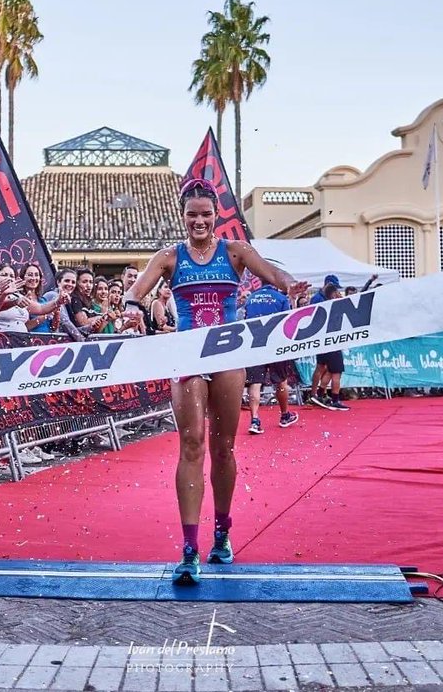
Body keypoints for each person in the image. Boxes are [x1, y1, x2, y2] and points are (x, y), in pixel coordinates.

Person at [125, 178, 307, 584]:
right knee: (191, 445)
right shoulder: (169, 257)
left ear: (216, 216)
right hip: (188, 358)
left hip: (228, 357)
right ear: (183, 216)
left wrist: (290, 286)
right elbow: (135, 292)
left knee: (223, 449)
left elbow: (274, 274)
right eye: (192, 215)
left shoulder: (236, 252)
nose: (200, 221)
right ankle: (189, 549)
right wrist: (133, 309)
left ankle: (221, 534)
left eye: (206, 214)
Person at [243, 283, 299, 434]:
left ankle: (254, 420)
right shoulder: (280, 298)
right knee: (281, 380)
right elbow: (289, 321)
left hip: (254, 344)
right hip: (275, 344)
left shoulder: (250, 298)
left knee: (255, 383)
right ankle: (285, 415)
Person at [308, 276, 349, 411]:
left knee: (326, 369)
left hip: (324, 340)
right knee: (335, 371)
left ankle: (318, 394)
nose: (338, 293)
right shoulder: (329, 303)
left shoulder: (318, 299)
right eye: (336, 290)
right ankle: (332, 398)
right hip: (330, 340)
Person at [0, 262, 62, 334]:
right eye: (4, 275)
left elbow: (41, 308)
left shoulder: (17, 296)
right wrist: (6, 296)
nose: (9, 278)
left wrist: (58, 301)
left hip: (21, 341)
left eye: (12, 276)